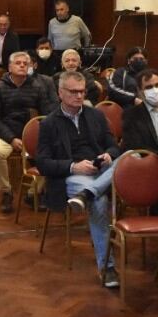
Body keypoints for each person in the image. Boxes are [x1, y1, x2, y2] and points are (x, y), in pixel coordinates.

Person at [35, 72, 122, 287]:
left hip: (100, 170)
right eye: (73, 92)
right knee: (100, 203)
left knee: (130, 157)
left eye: (82, 91)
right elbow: (43, 163)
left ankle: (89, 194)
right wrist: (73, 166)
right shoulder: (49, 123)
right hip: (73, 175)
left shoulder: (95, 115)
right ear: (60, 93)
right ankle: (107, 267)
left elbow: (113, 145)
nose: (79, 95)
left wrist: (109, 155)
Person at [0, 51, 55, 214]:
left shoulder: (37, 87)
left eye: (26, 63)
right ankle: (6, 191)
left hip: (31, 135)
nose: (23, 66)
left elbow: (46, 113)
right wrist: (11, 139)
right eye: (18, 63)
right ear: (10, 67)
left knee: (53, 154)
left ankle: (33, 194)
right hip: (7, 134)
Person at [121, 68, 158, 154]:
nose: (154, 90)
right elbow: (135, 147)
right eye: (149, 87)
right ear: (140, 91)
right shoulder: (131, 115)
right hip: (147, 163)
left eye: (157, 85)